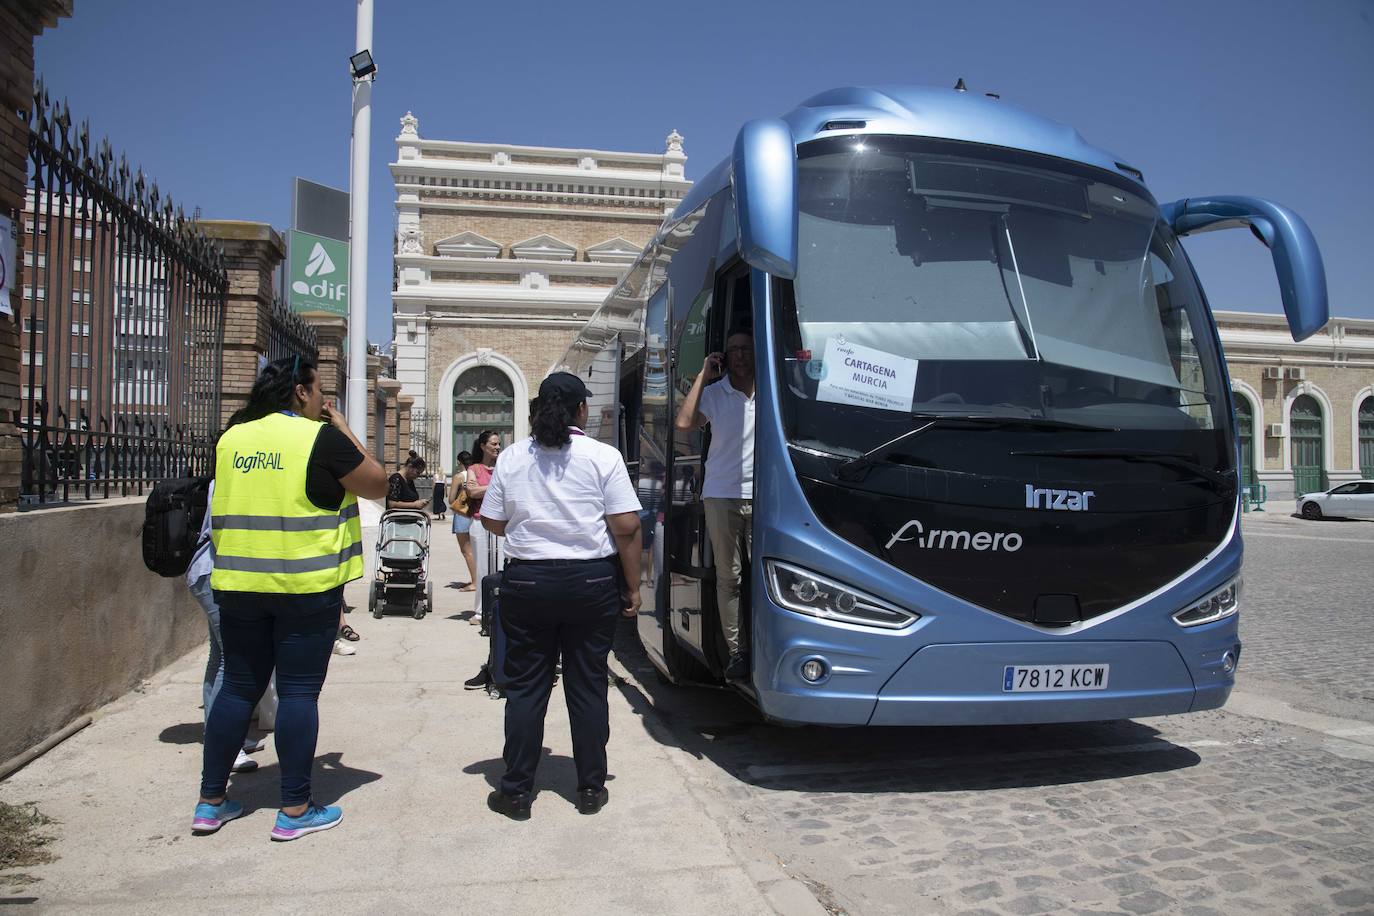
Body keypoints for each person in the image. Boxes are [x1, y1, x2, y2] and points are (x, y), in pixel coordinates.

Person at [191, 355, 387, 841]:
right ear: (301, 392)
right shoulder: (317, 439)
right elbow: (379, 483)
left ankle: (210, 802)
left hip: (237, 584)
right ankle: (295, 810)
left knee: (237, 687)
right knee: (299, 693)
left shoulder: (232, 439)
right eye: (320, 391)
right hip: (305, 587)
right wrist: (341, 427)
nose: (324, 400)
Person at [480, 372, 642, 820]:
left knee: (527, 688)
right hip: (591, 583)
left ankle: (515, 792)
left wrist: (528, 520)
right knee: (587, 684)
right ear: (581, 411)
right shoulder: (603, 456)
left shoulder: (513, 457)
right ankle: (590, 788)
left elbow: (492, 521)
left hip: (529, 583)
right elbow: (626, 527)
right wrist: (631, 587)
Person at [673, 327, 755, 680]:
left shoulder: (771, 390)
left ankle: (766, 644)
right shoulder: (716, 393)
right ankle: (738, 652)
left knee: (766, 577)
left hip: (766, 494)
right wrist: (705, 374)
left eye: (745, 349)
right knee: (729, 577)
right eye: (732, 349)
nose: (738, 355)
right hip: (721, 494)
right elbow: (684, 422)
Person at [185, 478, 270, 774]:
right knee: (234, 663)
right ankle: (226, 746)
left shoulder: (218, 482)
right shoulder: (227, 484)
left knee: (219, 657)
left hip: (203, 574)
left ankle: (219, 733)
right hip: (215, 576)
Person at [464, 430, 503, 619]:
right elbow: (472, 492)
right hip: (479, 522)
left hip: (500, 522)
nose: (497, 447)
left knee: (502, 565)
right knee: (482, 568)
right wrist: (495, 486)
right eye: (493, 444)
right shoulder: (475, 469)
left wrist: (483, 489)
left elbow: (478, 490)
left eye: (498, 444)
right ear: (482, 446)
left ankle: (501, 608)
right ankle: (480, 611)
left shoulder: (503, 466)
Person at [450, 450, 478, 594]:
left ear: (459, 462)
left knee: (466, 551)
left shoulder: (458, 477)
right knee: (475, 550)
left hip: (462, 515)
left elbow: (451, 500)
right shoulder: (476, 475)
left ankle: (474, 582)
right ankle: (476, 579)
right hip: (476, 514)